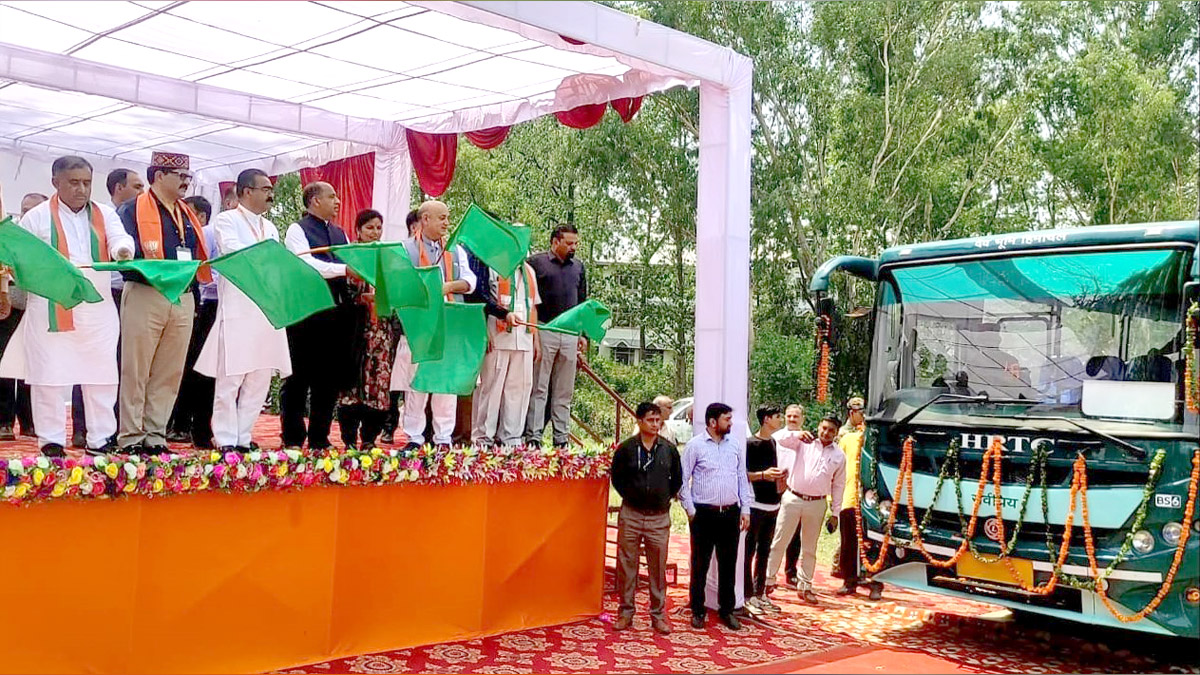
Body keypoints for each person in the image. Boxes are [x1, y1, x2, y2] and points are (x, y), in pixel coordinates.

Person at [0, 156, 133, 457]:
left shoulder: (104, 213)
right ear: (55, 183)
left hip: (96, 308)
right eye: (74, 183)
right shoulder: (35, 217)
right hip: (50, 307)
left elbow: (119, 238)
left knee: (101, 376)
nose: (81, 189)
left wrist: (122, 250)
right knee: (48, 375)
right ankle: (51, 440)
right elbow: (21, 256)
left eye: (87, 183)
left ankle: (101, 439)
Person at [116, 151, 211, 455]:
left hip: (182, 296)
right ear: (158, 176)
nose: (186, 182)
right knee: (137, 368)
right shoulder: (131, 210)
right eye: (180, 176)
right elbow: (121, 255)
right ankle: (131, 436)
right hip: (146, 293)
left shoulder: (188, 214)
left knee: (170, 372)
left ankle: (156, 434)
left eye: (188, 176)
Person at [196, 169, 291, 452]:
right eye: (265, 188)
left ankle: (243, 436)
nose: (270, 194)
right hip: (237, 310)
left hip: (265, 311)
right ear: (247, 191)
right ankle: (225, 437)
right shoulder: (226, 220)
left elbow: (276, 264)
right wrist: (269, 260)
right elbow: (235, 254)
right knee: (231, 378)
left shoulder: (270, 227)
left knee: (259, 377)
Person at [390, 200, 476, 450]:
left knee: (445, 384)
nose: (447, 223)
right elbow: (399, 285)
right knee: (417, 383)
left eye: (448, 218)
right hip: (419, 327)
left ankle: (443, 438)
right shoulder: (405, 249)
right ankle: (415, 437)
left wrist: (448, 287)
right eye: (442, 218)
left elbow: (470, 281)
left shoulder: (455, 250)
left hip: (449, 324)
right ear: (425, 219)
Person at [281, 181, 354, 450]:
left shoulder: (340, 233)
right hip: (305, 313)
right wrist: (344, 271)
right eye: (332, 196)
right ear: (314, 201)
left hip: (336, 312)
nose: (337, 201)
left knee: (329, 380)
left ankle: (319, 437)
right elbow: (305, 263)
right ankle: (292, 437)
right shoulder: (297, 229)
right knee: (298, 378)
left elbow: (351, 263)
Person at [610, 402, 682, 635]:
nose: (655, 424)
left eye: (658, 420)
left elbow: (677, 480)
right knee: (626, 564)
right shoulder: (626, 449)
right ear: (639, 422)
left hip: (659, 517)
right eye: (650, 420)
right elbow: (617, 478)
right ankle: (625, 611)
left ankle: (658, 615)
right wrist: (632, 496)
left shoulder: (669, 449)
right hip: (631, 514)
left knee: (657, 566)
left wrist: (662, 498)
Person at [679, 402, 752, 631]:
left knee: (728, 564)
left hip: (730, 513)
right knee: (700, 564)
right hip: (703, 514)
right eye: (726, 419)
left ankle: (727, 610)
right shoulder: (695, 446)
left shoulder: (735, 446)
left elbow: (742, 478)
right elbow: (682, 480)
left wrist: (745, 509)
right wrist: (691, 510)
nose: (730, 423)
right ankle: (698, 610)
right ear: (712, 422)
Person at [765, 415, 846, 605]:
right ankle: (768, 580)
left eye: (831, 430)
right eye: (823, 428)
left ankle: (805, 585)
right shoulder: (804, 442)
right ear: (818, 426)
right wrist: (797, 435)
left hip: (817, 503)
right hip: (793, 497)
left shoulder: (839, 456)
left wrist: (835, 513)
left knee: (809, 547)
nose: (826, 433)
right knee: (779, 541)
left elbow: (839, 485)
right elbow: (778, 439)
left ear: (836, 433)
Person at [337, 209, 396, 450]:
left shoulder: (388, 258)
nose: (375, 232)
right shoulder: (348, 257)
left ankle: (370, 438)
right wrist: (363, 297)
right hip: (354, 330)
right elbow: (341, 292)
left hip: (381, 330)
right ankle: (349, 438)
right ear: (358, 230)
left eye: (378, 227)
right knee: (352, 383)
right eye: (369, 227)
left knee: (379, 382)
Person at [524, 224, 587, 449]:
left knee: (564, 390)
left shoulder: (578, 267)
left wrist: (583, 334)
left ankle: (561, 438)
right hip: (544, 328)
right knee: (539, 387)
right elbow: (529, 298)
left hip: (570, 332)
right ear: (555, 242)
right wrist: (533, 333)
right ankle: (533, 436)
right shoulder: (535, 263)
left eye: (575, 243)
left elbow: (582, 303)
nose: (573, 247)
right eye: (569, 243)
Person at [471, 255, 540, 447]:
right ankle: (483, 438)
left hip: (524, 338)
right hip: (498, 336)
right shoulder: (494, 266)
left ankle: (511, 438)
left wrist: (535, 339)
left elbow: (533, 305)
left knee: (519, 390)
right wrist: (484, 331)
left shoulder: (530, 271)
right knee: (491, 389)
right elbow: (482, 302)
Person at [166, 195, 217, 447]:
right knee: (192, 368)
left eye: (188, 214)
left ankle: (184, 424)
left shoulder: (205, 233)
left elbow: (205, 274)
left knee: (196, 367)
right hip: (199, 303)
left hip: (204, 303)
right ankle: (180, 424)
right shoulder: (187, 235)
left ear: (202, 217)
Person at [0, 194, 47, 441]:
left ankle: (30, 422)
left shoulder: (48, 238)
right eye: (24, 209)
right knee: (6, 364)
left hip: (40, 308)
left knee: (34, 367)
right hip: (11, 308)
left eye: (33, 209)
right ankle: (4, 422)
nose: (27, 214)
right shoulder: (10, 237)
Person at [380, 208, 420, 446]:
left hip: (423, 324)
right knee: (395, 379)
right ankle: (389, 426)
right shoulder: (401, 253)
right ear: (413, 227)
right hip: (399, 323)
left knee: (417, 380)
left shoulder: (438, 254)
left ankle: (418, 430)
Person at [744, 404, 787, 613]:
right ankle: (747, 594)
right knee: (749, 551)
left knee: (764, 551)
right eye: (777, 417)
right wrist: (763, 475)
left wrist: (780, 479)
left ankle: (760, 592)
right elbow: (744, 474)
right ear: (766, 419)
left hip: (773, 504)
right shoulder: (750, 444)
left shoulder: (773, 442)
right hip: (755, 504)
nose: (781, 420)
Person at [835, 426, 884, 601]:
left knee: (875, 543)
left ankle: (876, 583)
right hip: (849, 497)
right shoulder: (848, 439)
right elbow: (837, 465)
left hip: (874, 502)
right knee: (848, 542)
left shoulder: (881, 441)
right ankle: (849, 581)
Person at [771, 403, 806, 588]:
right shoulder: (776, 437)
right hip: (776, 489)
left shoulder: (807, 440)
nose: (792, 419)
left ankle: (791, 572)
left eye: (796, 416)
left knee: (795, 535)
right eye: (789, 416)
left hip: (797, 491)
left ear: (802, 419)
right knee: (774, 532)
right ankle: (769, 574)